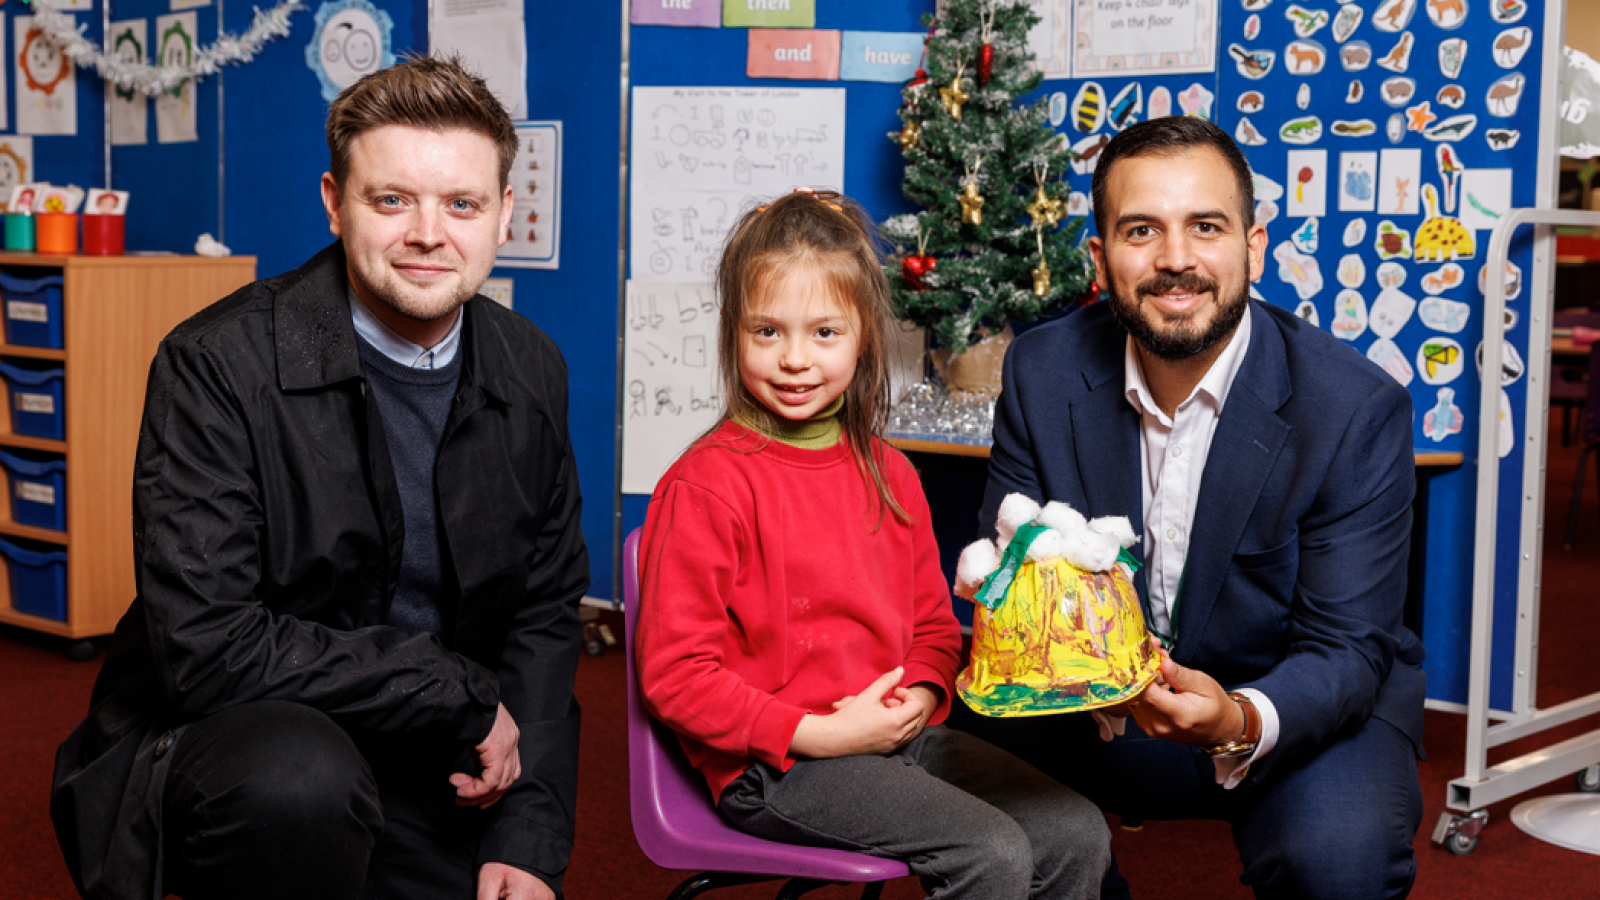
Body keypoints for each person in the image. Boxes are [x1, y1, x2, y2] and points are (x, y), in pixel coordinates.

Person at [50, 56, 588, 900]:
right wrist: (449, 689)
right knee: (299, 781)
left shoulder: (532, 370)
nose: (427, 233)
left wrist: (528, 831)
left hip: (428, 753)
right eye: (390, 199)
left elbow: (544, 614)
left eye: (461, 204)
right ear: (335, 203)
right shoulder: (216, 363)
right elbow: (205, 647)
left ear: (503, 215)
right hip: (245, 745)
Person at [950, 116, 1426, 900]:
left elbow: (1347, 647)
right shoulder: (1043, 370)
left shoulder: (1354, 407)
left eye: (1206, 226)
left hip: (1289, 703)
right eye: (1142, 230)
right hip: (1085, 700)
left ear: (1253, 245)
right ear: (1100, 259)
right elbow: (1013, 571)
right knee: (970, 811)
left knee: (1340, 862)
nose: (1176, 260)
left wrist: (1237, 719)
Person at [636, 189, 1111, 900]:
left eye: (824, 333)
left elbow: (931, 628)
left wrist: (922, 688)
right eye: (768, 332)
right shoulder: (706, 486)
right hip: (778, 764)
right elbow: (675, 675)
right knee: (989, 852)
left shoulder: (891, 474)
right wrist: (812, 734)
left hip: (899, 739)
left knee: (1078, 831)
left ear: (863, 337)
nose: (795, 359)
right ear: (734, 332)